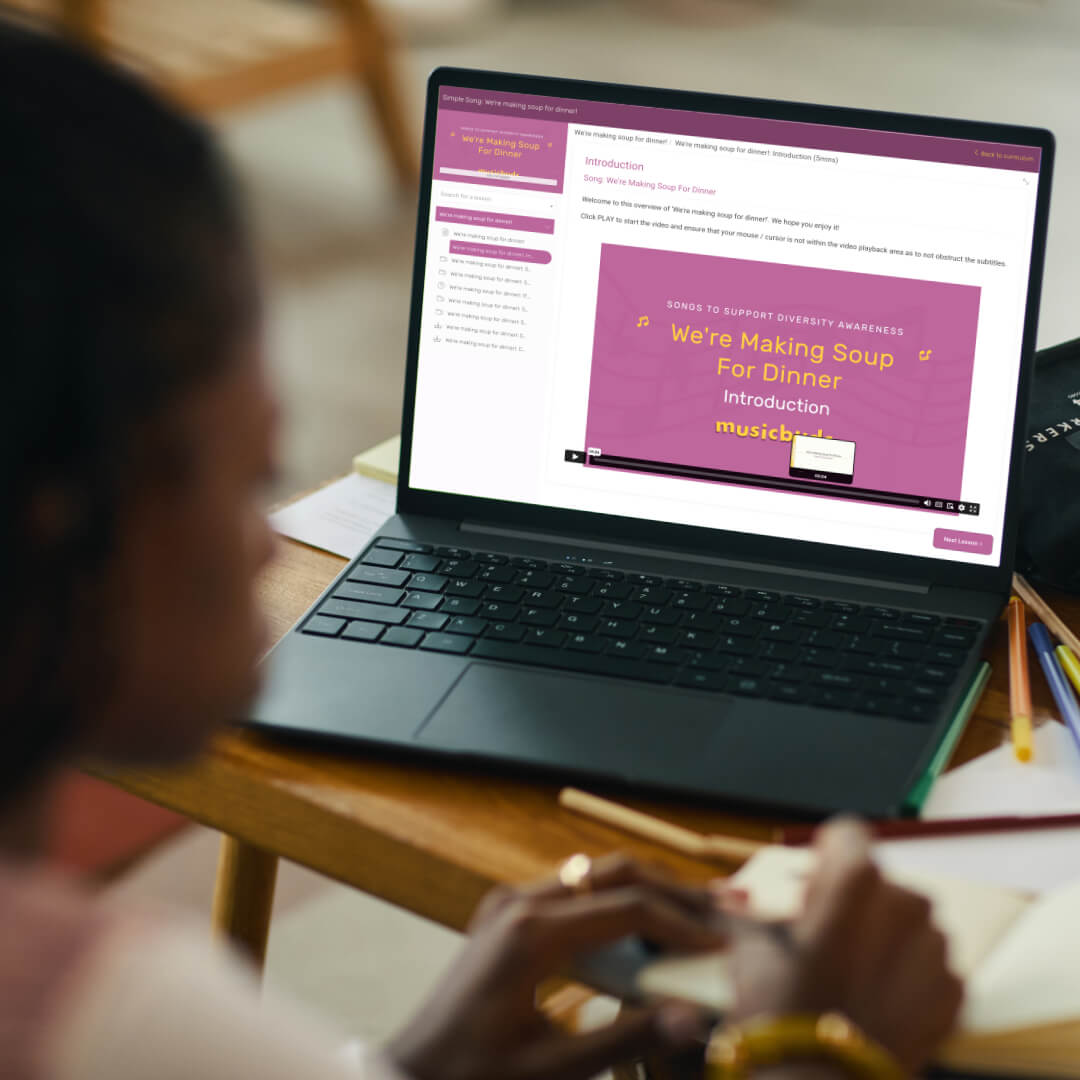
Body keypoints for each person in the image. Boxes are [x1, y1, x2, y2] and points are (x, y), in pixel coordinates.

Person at [0, 20, 962, 1080]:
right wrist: (810, 1051)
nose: (262, 548)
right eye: (247, 479)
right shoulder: (110, 1015)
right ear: (63, 523)